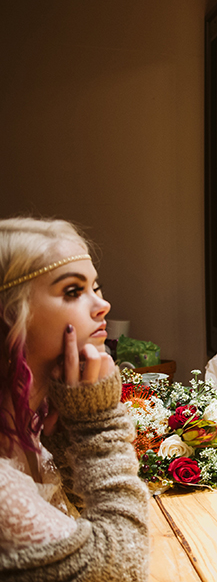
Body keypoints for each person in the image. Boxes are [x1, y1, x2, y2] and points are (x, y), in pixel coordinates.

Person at [0, 217, 149, 580]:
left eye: (96, 287)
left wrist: (66, 429)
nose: (103, 306)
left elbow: (81, 517)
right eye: (72, 291)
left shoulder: (32, 430)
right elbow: (120, 569)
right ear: (10, 315)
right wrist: (97, 424)